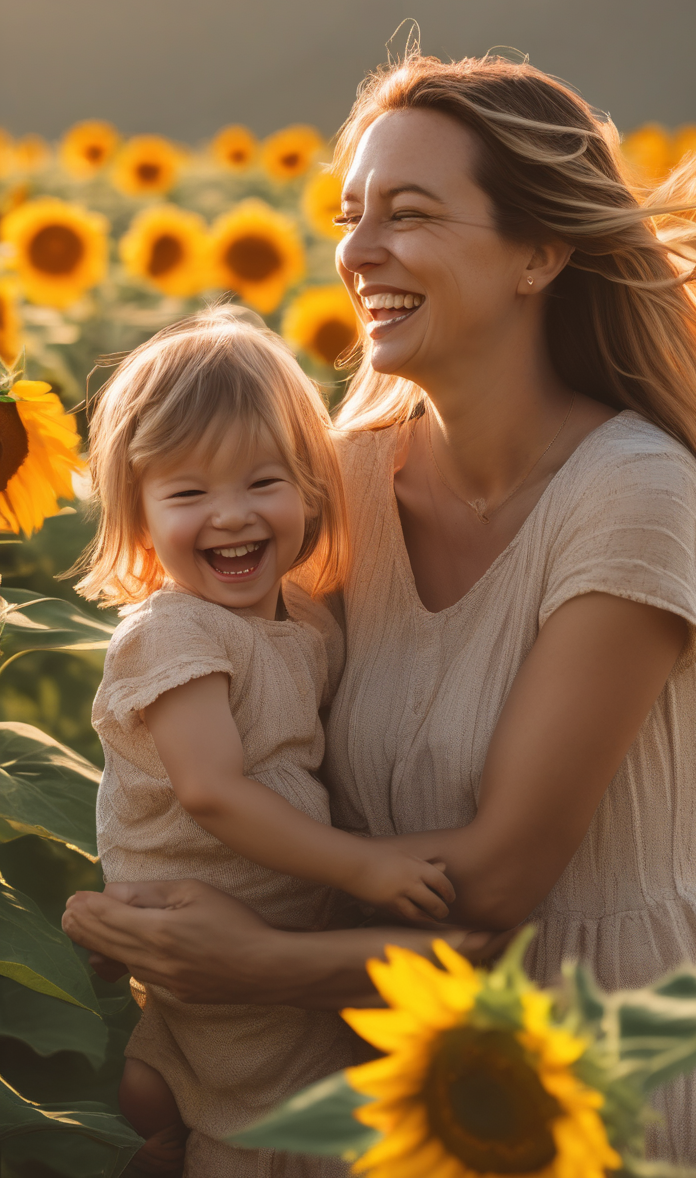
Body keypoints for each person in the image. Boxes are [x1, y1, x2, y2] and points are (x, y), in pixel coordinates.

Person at [65, 53, 696, 1168]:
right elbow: (248, 720)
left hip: (595, 1063)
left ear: (540, 253)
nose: (356, 252)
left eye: (407, 214)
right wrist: (134, 908)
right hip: (378, 1071)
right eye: (349, 212)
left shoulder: (634, 494)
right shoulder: (340, 482)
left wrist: (246, 962)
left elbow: (499, 883)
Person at [75, 311, 459, 1177]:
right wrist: (360, 868)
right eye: (188, 494)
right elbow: (210, 789)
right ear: (137, 515)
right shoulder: (172, 635)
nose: (231, 516)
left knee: (230, 1071)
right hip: (204, 910)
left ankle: (171, 1119)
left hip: (274, 912)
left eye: (263, 482)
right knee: (281, 1105)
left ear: (313, 488)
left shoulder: (305, 619)